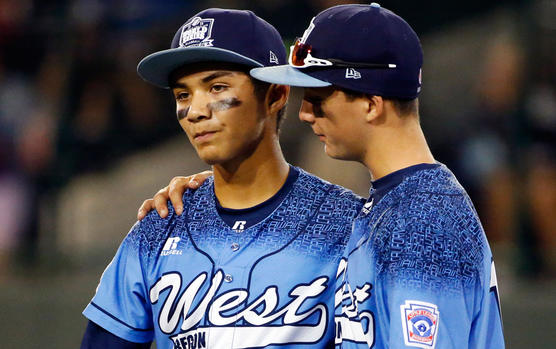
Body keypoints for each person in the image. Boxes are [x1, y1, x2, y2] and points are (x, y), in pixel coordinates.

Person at [139, 4, 505, 348]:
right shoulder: (396, 201)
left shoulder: (422, 219)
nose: (305, 113)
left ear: (371, 104)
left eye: (318, 97)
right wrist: (217, 185)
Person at [80, 8, 363, 349]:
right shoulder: (160, 226)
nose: (196, 111)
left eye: (216, 87)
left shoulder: (347, 225)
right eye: (183, 95)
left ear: (275, 95)